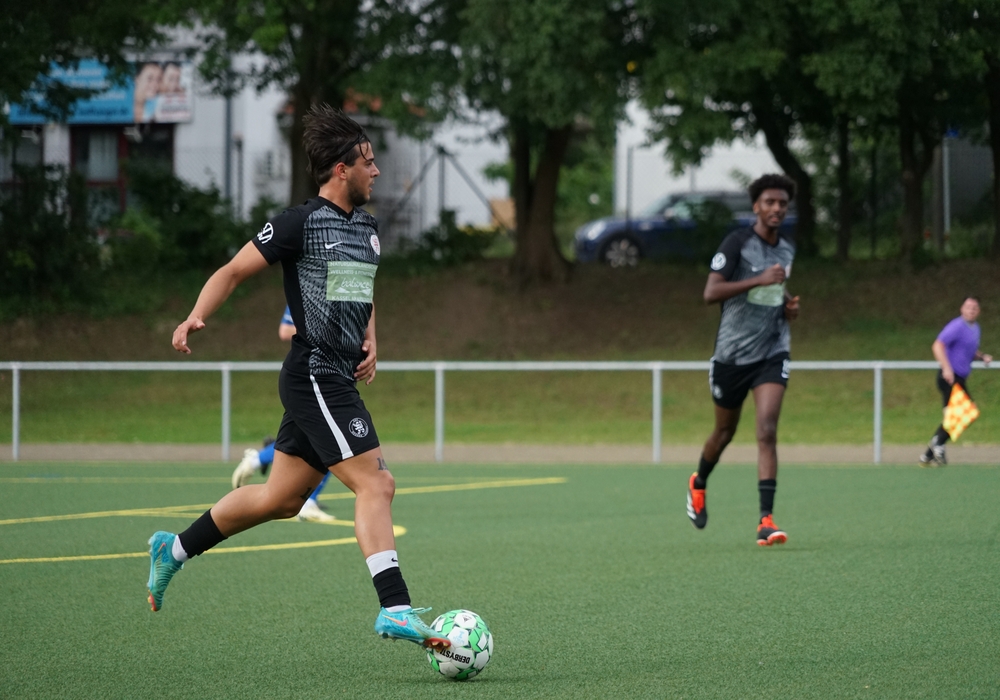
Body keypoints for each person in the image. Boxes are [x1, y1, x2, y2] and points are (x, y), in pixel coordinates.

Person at [146, 104, 450, 652]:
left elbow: (361, 292)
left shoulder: (368, 229)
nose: (377, 170)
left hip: (338, 376)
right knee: (377, 483)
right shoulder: (299, 223)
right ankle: (396, 609)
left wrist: (372, 340)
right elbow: (232, 270)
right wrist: (195, 315)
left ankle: (173, 549)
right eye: (368, 162)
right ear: (341, 169)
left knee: (280, 500)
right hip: (315, 374)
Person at [685, 173, 799, 546]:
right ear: (756, 207)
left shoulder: (787, 248)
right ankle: (699, 481)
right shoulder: (736, 243)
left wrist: (788, 306)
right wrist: (758, 280)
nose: (776, 208)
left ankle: (766, 520)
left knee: (766, 429)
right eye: (769, 202)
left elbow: (775, 290)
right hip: (732, 355)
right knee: (724, 433)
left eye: (782, 203)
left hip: (772, 350)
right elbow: (710, 293)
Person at [231, 306, 337, 523]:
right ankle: (261, 462)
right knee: (330, 440)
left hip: (333, 376)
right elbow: (285, 330)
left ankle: (262, 460)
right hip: (308, 377)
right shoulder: (308, 292)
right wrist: (326, 332)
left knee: (324, 441)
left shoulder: (343, 294)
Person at [919, 297, 992, 466]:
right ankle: (937, 445)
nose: (971, 310)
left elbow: (969, 350)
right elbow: (938, 345)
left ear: (978, 311)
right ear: (962, 309)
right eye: (968, 307)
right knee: (965, 412)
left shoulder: (975, 328)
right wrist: (946, 368)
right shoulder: (956, 326)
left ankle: (928, 454)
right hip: (949, 377)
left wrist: (982, 356)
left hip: (960, 378)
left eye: (974, 308)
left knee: (956, 417)